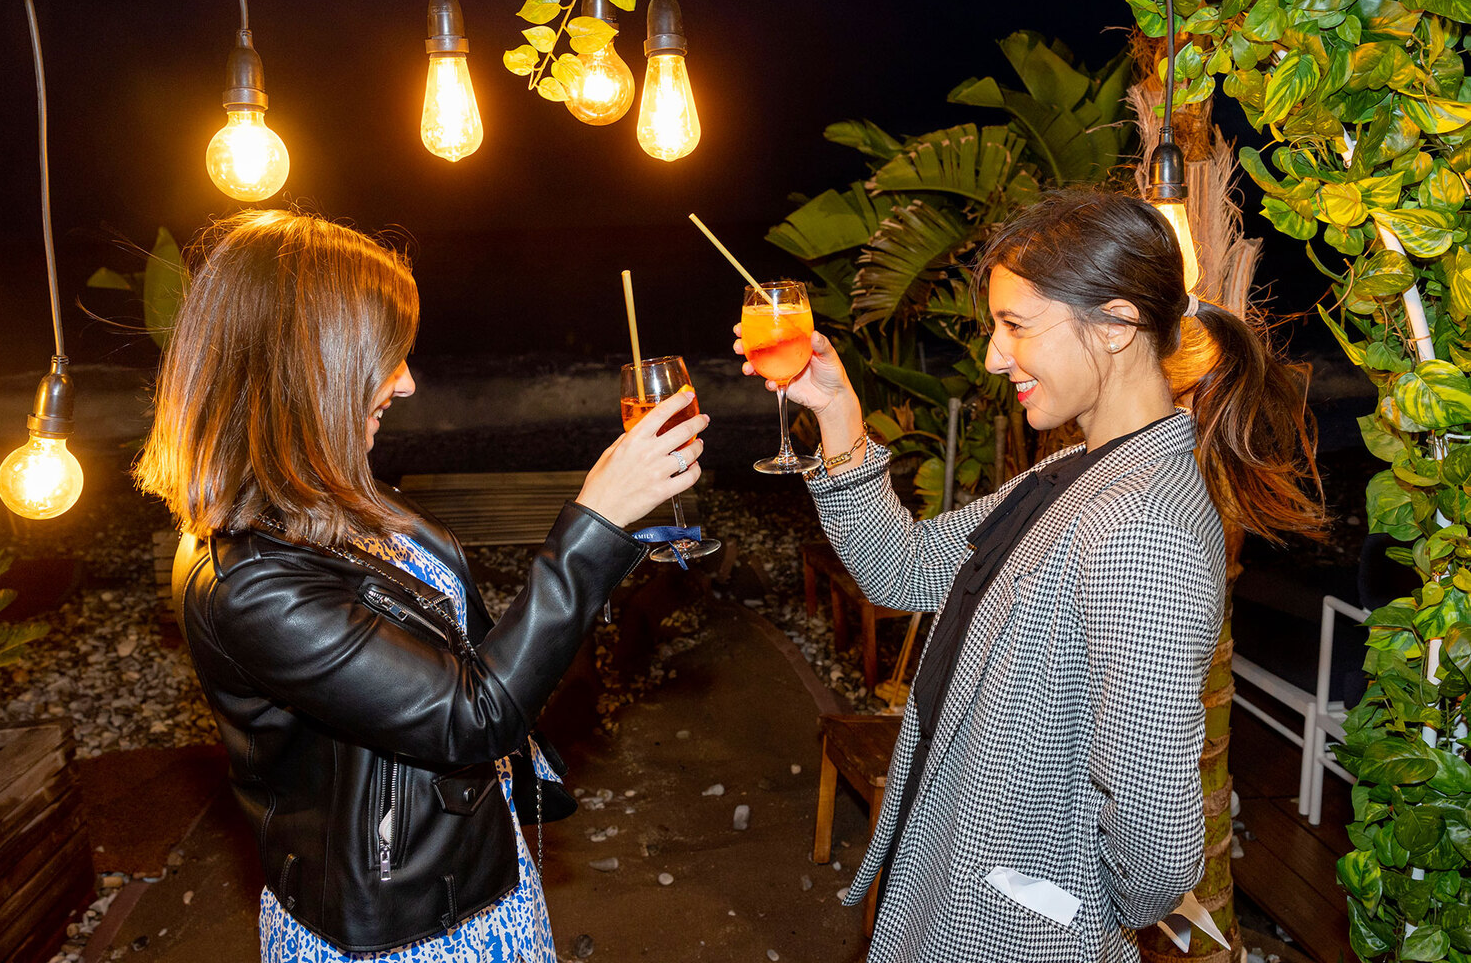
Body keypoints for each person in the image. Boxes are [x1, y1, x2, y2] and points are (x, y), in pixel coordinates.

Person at [738, 189, 1325, 962]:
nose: (991, 354)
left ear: (1115, 325)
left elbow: (1156, 843)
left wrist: (1055, 901)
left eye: (1015, 325)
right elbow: (903, 569)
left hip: (1011, 935)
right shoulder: (1077, 473)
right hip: (961, 899)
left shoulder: (1141, 529)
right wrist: (838, 410)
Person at [135, 209, 707, 961]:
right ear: (309, 366)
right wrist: (594, 525)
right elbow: (472, 716)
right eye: (386, 357)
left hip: (473, 877)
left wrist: (620, 540)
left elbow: (459, 655)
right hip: (405, 936)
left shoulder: (326, 495)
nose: (407, 384)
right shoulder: (252, 582)